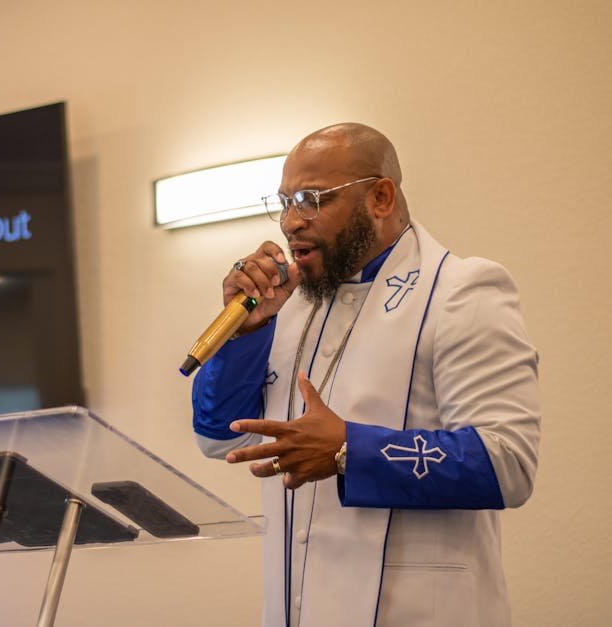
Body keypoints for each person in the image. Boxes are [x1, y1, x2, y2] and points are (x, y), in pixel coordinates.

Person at [190, 123, 540, 627]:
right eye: (283, 202)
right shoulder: (289, 305)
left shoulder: (461, 292)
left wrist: (348, 450)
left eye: (311, 200)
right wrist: (246, 335)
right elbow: (218, 438)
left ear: (380, 197)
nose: (290, 222)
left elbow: (509, 462)